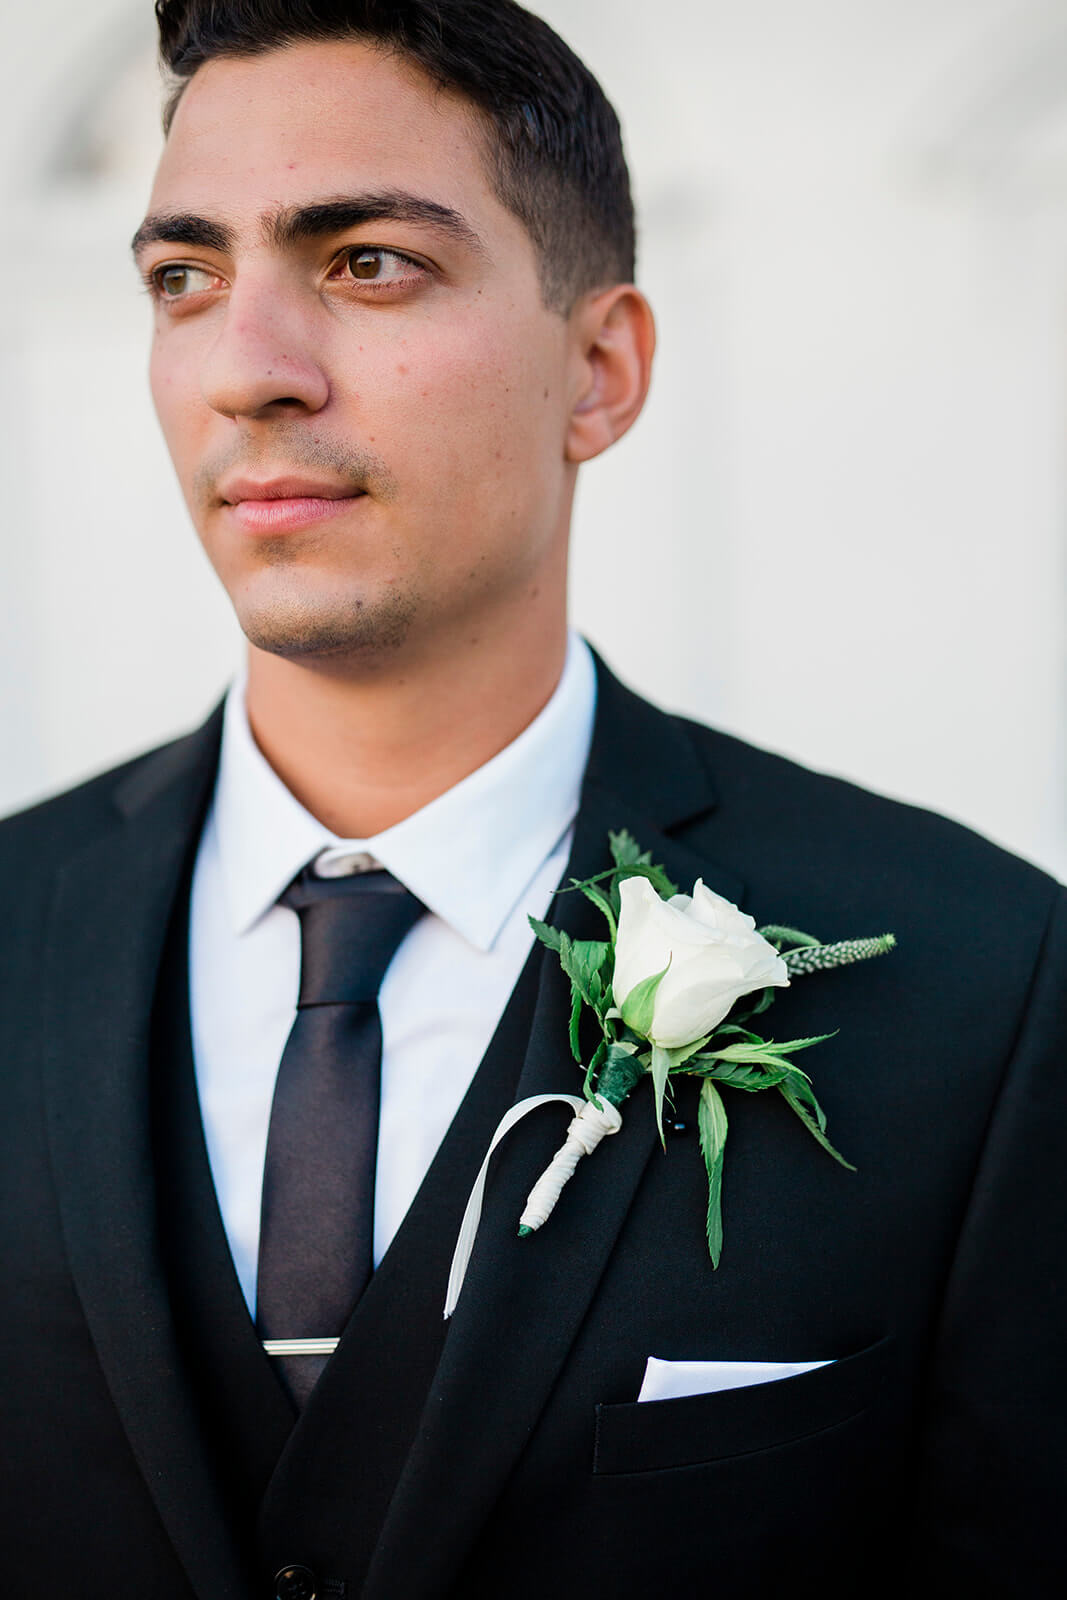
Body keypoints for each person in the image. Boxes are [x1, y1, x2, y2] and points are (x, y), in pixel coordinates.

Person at [1, 2, 1063, 1596]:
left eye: (368, 262)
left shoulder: (983, 983)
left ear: (601, 368)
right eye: (184, 277)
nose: (247, 369)